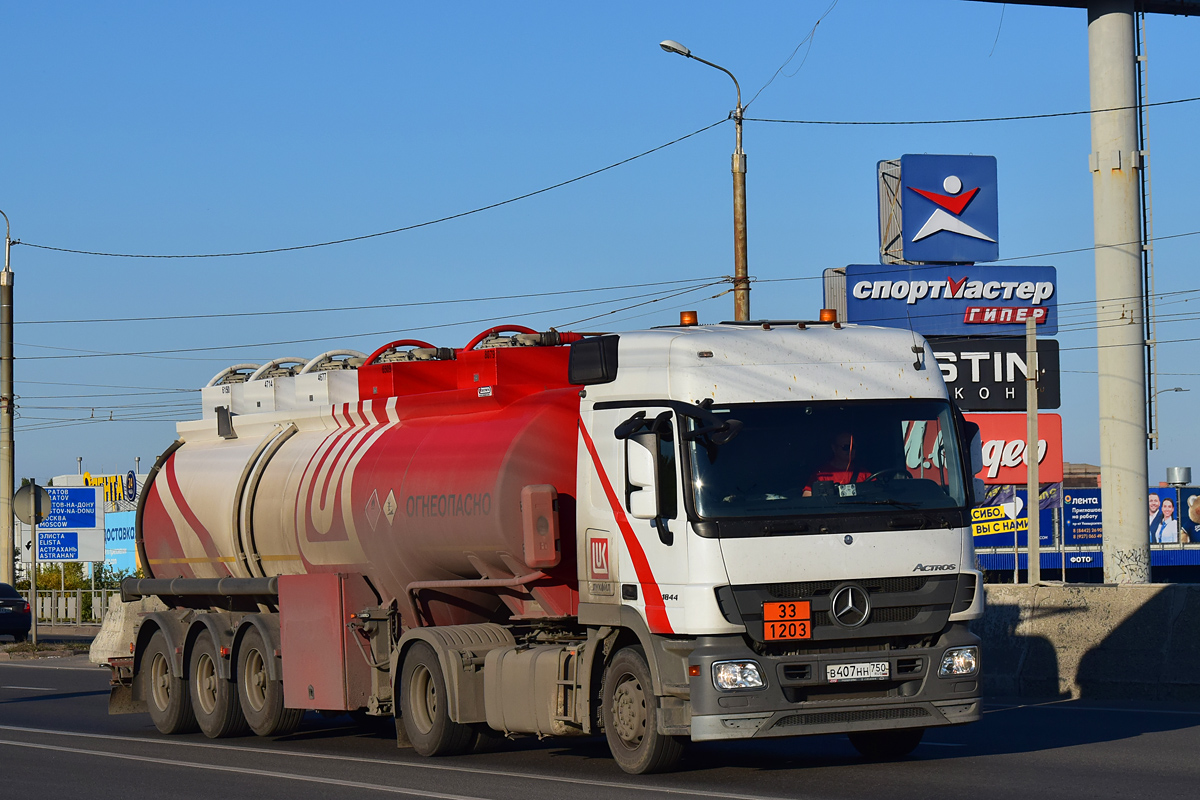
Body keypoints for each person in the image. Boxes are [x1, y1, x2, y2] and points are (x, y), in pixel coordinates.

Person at [803, 432, 870, 496]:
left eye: (853, 447)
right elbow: (807, 495)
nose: (850, 450)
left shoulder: (864, 474)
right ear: (834, 448)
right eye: (846, 447)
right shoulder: (821, 475)